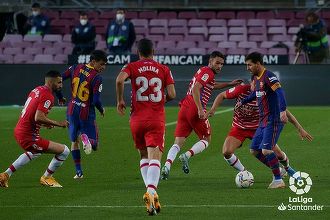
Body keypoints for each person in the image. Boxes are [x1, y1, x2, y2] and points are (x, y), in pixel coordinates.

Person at [116, 38, 175, 215]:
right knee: (155, 156)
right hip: (156, 118)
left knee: (143, 155)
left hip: (136, 119)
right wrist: (161, 100)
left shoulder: (132, 66)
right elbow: (172, 94)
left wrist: (120, 100)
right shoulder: (164, 69)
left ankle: (152, 195)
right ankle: (151, 192)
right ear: (153, 51)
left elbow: (119, 81)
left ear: (138, 52)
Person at [161, 51, 242, 180]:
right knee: (206, 139)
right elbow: (196, 89)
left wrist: (229, 84)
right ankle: (187, 155)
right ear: (210, 61)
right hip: (194, 106)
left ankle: (167, 165)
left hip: (185, 106)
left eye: (222, 64)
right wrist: (199, 109)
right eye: (217, 63)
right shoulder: (208, 72)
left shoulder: (205, 72)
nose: (220, 66)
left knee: (178, 141)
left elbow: (210, 85)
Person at [207, 82, 313, 180]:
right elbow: (222, 95)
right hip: (239, 128)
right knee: (227, 152)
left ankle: (287, 168)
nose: (255, 86)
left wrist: (300, 128)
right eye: (254, 83)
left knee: (278, 154)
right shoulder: (242, 89)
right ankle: (244, 173)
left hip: (260, 128)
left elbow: (285, 112)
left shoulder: (266, 95)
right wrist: (213, 109)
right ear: (251, 82)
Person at [0, 70, 69, 188]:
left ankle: (5, 175)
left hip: (20, 130)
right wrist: (59, 123)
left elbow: (32, 114)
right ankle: (47, 178)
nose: (61, 85)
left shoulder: (36, 89)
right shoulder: (48, 95)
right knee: (64, 151)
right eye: (59, 82)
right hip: (28, 136)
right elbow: (38, 117)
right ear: (51, 82)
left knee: (35, 152)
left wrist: (45, 123)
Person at [235, 52, 291, 189]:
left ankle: (278, 180)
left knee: (266, 150)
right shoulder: (257, 77)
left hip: (273, 119)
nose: (247, 68)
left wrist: (283, 111)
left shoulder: (269, 76)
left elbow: (280, 93)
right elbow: (256, 94)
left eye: (249, 65)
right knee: (254, 150)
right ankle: (280, 171)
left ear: (258, 64)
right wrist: (243, 101)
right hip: (263, 121)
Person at [61, 50, 107, 179]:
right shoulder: (97, 77)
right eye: (101, 64)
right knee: (95, 145)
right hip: (86, 112)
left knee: (73, 140)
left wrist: (59, 95)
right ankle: (85, 137)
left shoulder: (75, 67)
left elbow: (60, 78)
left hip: (71, 110)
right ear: (93, 61)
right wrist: (101, 109)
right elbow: (96, 100)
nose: (103, 67)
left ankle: (79, 172)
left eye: (105, 65)